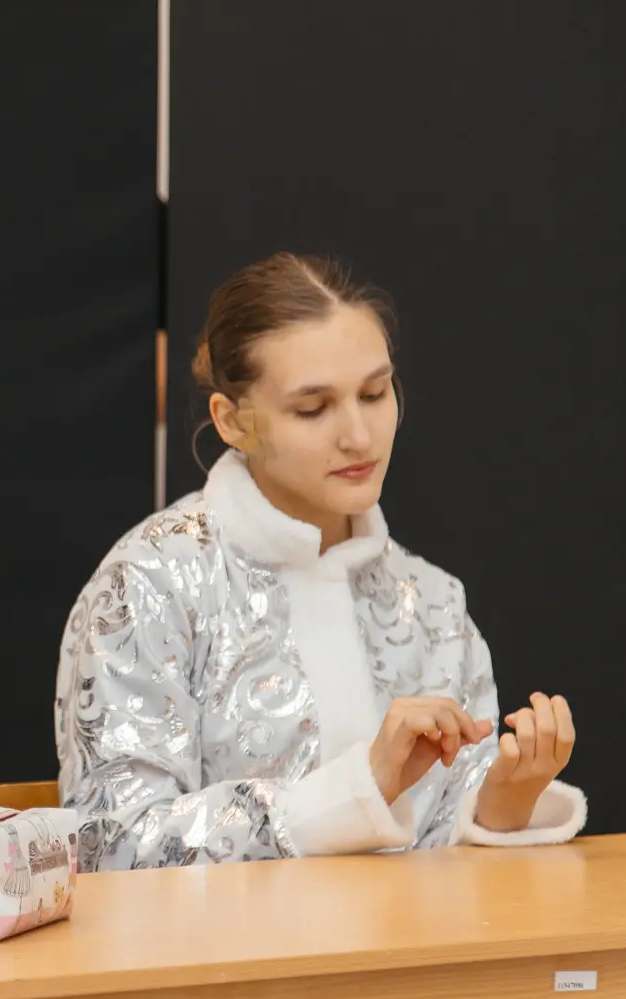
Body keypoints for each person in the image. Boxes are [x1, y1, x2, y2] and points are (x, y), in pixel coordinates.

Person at [54, 252, 585, 872]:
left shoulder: (431, 601)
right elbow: (111, 844)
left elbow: (450, 868)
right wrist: (353, 790)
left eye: (375, 393)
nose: (359, 436)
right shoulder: (151, 582)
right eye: (313, 408)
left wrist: (504, 803)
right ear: (232, 421)